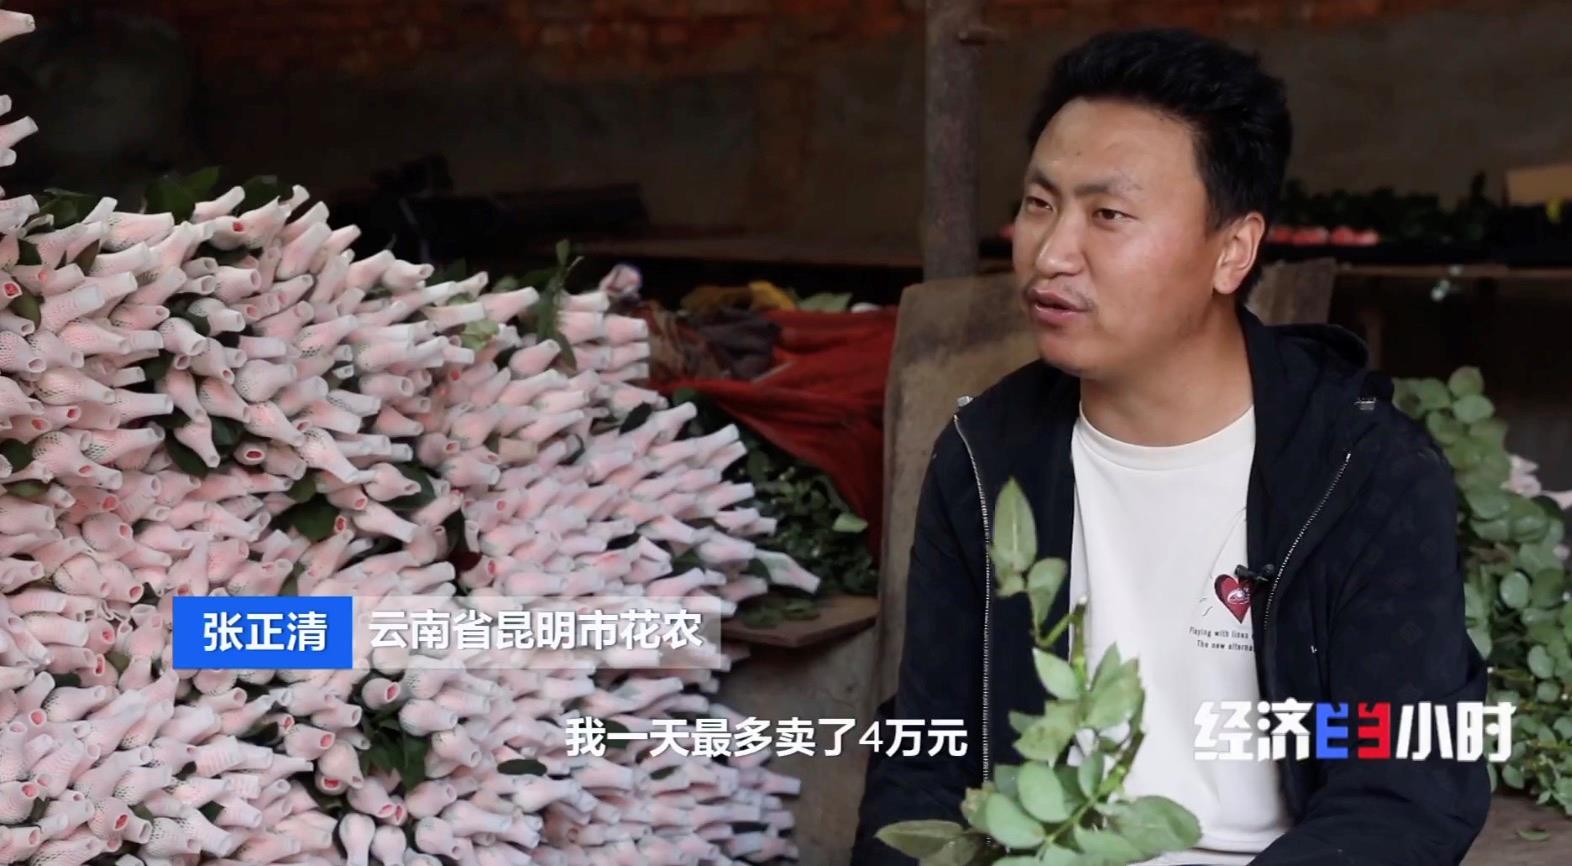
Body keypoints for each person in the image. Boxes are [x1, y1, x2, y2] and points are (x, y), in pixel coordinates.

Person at [852, 27, 1489, 866]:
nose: (1052, 254)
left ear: (1233, 251)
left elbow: (1405, 792)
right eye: (1039, 204)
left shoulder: (1362, 471)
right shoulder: (986, 457)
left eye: (1108, 215)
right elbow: (926, 752)